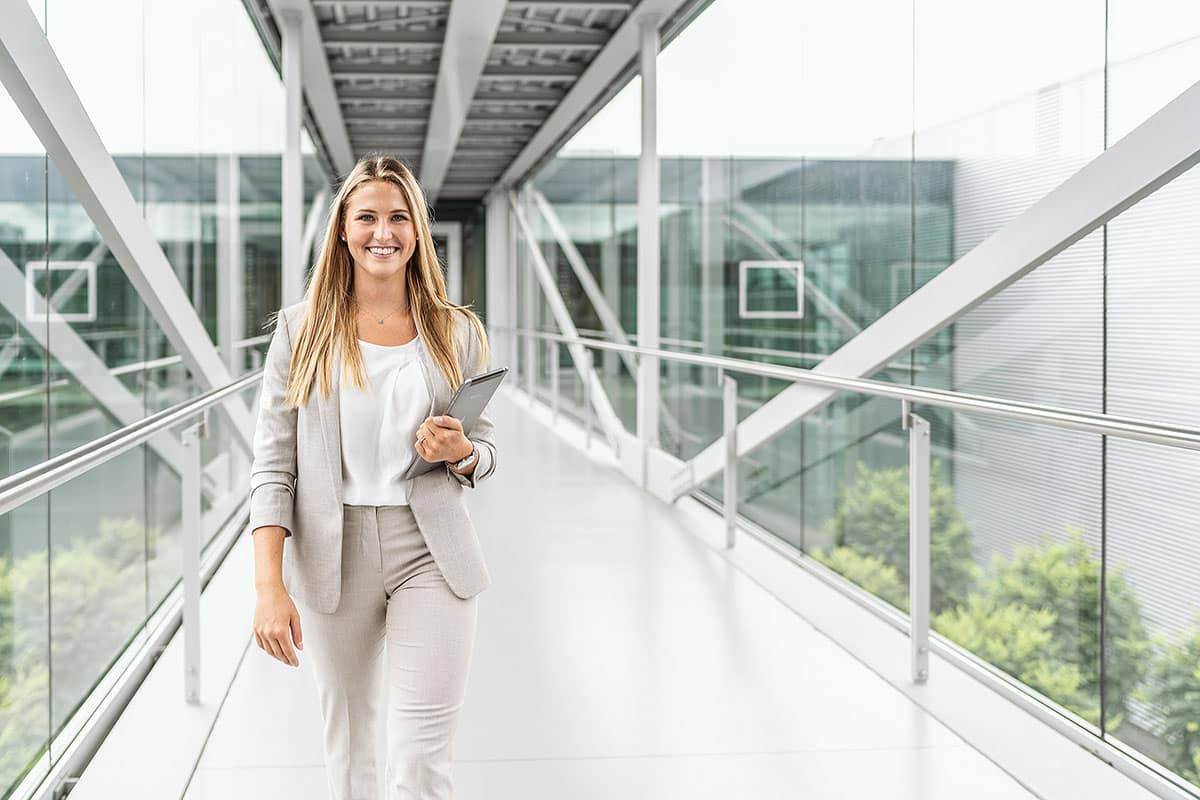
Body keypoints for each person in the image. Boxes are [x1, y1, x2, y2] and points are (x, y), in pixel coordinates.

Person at [248, 154, 496, 800]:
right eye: (367, 217)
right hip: (333, 553)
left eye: (398, 217)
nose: (382, 232)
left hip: (431, 551)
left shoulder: (456, 330)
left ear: (417, 230)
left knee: (420, 762)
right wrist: (268, 587)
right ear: (342, 228)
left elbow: (486, 449)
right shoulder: (301, 330)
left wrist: (462, 450)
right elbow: (273, 464)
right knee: (352, 753)